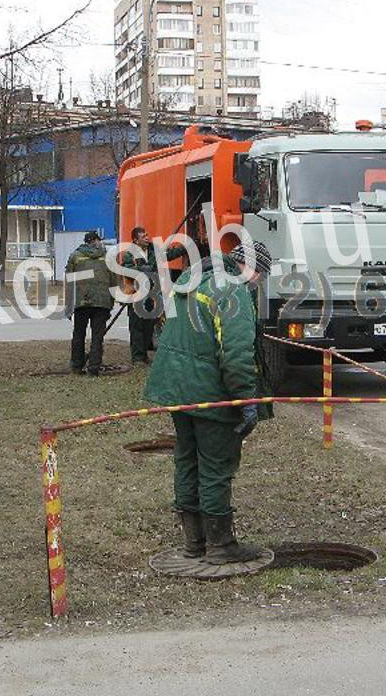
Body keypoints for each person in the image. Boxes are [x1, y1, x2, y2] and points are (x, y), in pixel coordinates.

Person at [144, 240, 274, 564]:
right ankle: (221, 545)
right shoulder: (233, 292)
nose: (259, 282)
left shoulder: (194, 277)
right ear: (251, 268)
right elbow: (236, 355)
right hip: (209, 394)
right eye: (261, 274)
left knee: (187, 459)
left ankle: (194, 542)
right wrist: (247, 401)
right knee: (217, 464)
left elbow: (165, 328)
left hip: (176, 388)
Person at [119, 226, 183, 366]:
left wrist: (183, 248)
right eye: (144, 236)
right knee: (137, 327)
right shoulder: (129, 254)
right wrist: (140, 270)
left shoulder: (155, 250)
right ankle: (137, 358)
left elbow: (169, 254)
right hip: (136, 295)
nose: (147, 238)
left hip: (152, 294)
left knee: (149, 325)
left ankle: (145, 356)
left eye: (147, 235)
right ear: (136, 240)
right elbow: (126, 268)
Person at [65, 230, 118, 376]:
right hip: (101, 302)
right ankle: (94, 367)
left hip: (81, 301)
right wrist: (112, 300)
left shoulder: (75, 256)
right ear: (95, 240)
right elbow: (114, 280)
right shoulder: (108, 257)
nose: (101, 242)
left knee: (78, 334)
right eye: (99, 240)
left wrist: (69, 304)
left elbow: (69, 280)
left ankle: (77, 365)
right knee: (97, 336)